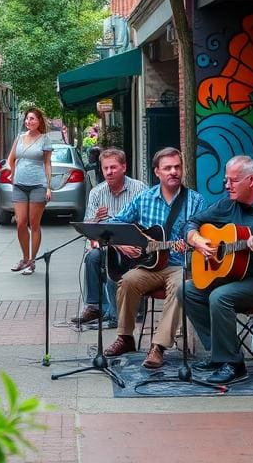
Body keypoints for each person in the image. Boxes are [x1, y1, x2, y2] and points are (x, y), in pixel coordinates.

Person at [180, 154, 253, 385]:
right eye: (226, 180)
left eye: (233, 181)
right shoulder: (227, 204)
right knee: (186, 290)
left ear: (251, 181)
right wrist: (195, 239)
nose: (227, 185)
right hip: (238, 278)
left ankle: (234, 365)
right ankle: (218, 354)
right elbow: (191, 221)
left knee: (219, 296)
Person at [102, 147, 205, 370]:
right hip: (150, 266)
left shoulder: (196, 201)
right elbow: (116, 224)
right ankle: (126, 337)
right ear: (157, 172)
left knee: (180, 287)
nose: (173, 172)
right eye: (167, 168)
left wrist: (192, 243)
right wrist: (121, 244)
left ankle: (158, 346)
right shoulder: (145, 199)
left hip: (180, 265)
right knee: (128, 280)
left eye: (177, 167)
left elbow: (205, 236)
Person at [70, 148, 147, 329]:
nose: (109, 172)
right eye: (105, 168)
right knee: (93, 257)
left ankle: (121, 312)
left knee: (116, 262)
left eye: (113, 167)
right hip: (109, 246)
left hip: (135, 245)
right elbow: (89, 228)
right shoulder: (97, 192)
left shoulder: (139, 189)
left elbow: (147, 225)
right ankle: (95, 306)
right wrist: (96, 219)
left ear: (124, 167)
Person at [3, 107, 53, 275]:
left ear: (39, 122)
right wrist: (10, 172)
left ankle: (32, 261)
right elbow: (11, 159)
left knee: (34, 224)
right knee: (20, 223)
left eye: (32, 119)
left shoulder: (44, 139)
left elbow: (47, 163)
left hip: (38, 185)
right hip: (19, 185)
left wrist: (48, 186)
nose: (29, 121)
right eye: (27, 119)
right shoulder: (19, 138)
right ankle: (24, 259)